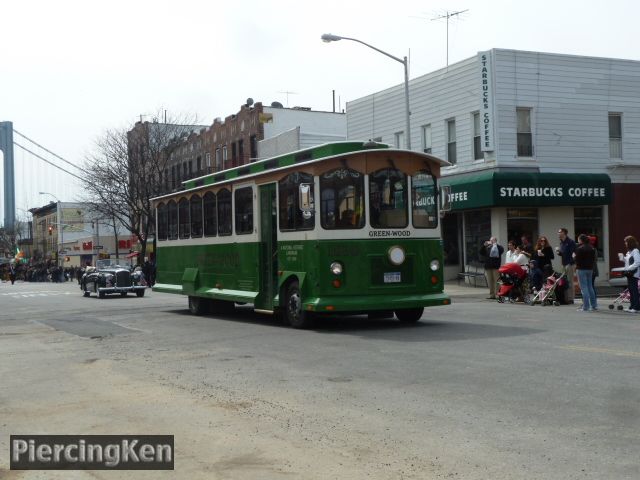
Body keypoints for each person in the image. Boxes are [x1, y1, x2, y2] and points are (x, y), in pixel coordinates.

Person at [573, 234, 597, 312]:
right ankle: (593, 305)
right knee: (590, 286)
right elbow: (594, 259)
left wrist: (574, 257)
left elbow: (577, 260)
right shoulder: (592, 248)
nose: (578, 241)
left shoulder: (580, 249)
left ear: (581, 240)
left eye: (578, 239)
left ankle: (585, 307)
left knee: (584, 288)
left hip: (581, 269)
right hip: (590, 269)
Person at [620, 235, 640, 313]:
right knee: (631, 290)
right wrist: (623, 258)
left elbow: (637, 262)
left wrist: (629, 268)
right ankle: (632, 306)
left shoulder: (635, 251)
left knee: (634, 290)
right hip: (629, 273)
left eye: (626, 242)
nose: (625, 243)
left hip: (634, 274)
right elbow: (628, 262)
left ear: (630, 242)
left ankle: (636, 307)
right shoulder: (629, 252)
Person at [556, 228, 577, 304]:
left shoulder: (570, 242)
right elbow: (563, 253)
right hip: (563, 264)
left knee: (569, 281)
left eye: (559, 232)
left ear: (564, 233)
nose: (558, 233)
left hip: (569, 264)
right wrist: (559, 252)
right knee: (564, 281)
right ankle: (566, 298)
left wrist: (571, 263)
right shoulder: (561, 243)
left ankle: (571, 298)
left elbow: (574, 253)